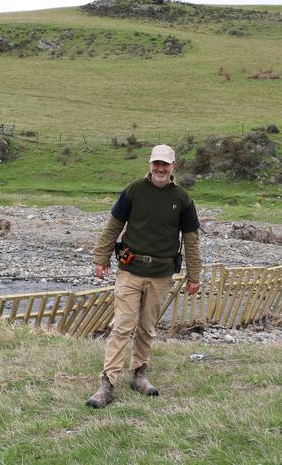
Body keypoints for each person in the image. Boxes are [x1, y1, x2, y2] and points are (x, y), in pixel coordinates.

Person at [86, 144, 202, 409]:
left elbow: (191, 240)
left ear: (174, 166)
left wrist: (194, 275)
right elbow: (114, 225)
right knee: (122, 325)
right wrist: (100, 258)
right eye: (156, 163)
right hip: (130, 270)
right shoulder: (133, 190)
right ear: (150, 165)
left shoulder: (182, 198)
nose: (160, 168)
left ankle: (139, 374)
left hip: (162, 275)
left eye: (165, 164)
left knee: (147, 326)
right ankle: (107, 383)